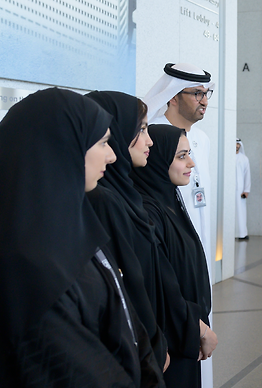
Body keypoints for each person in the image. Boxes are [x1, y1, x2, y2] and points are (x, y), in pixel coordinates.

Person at [0, 88, 164, 386]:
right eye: (103, 142)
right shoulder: (32, 269)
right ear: (63, 147)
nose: (113, 155)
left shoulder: (75, 227)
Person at [85, 91, 169, 373]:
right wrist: (151, 346)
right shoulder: (104, 200)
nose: (149, 141)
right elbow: (127, 284)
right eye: (141, 129)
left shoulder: (127, 194)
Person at [144, 63, 215, 386]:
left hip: (195, 264)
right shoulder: (153, 137)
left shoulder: (202, 139)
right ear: (173, 97)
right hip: (170, 271)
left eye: (207, 93)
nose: (204, 100)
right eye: (197, 93)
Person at [131, 124, 217, 388]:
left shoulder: (170, 200)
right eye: (181, 156)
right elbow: (163, 285)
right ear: (158, 160)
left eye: (189, 153)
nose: (191, 162)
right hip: (172, 341)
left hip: (186, 336)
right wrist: (196, 328)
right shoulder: (149, 211)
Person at [236, 138, 251, 240]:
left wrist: (246, 190)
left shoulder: (244, 158)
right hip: (229, 191)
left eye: (238, 144)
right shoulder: (227, 157)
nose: (236, 146)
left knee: (240, 212)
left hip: (240, 190)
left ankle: (241, 233)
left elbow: (247, 175)